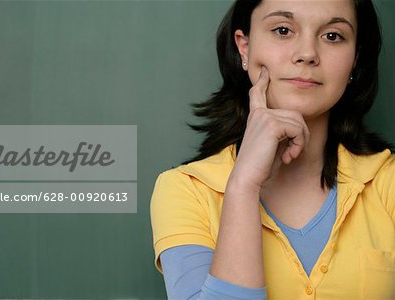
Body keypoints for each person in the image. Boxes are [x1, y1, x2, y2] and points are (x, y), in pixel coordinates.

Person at [150, 0, 395, 299]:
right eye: (282, 30)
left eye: (332, 36)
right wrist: (243, 186)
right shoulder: (185, 189)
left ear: (355, 58)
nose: (307, 54)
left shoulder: (386, 180)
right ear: (244, 47)